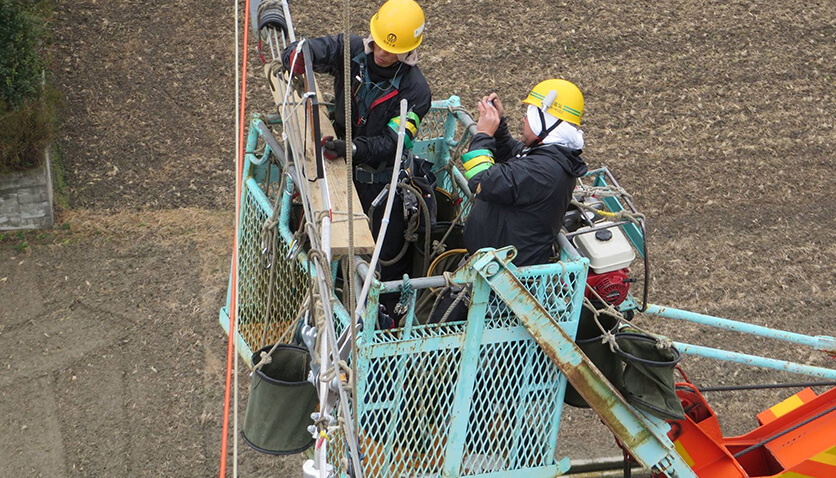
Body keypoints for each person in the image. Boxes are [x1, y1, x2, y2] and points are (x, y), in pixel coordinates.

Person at [281, 0, 432, 312]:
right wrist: (295, 57)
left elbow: (394, 142)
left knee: (383, 256)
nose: (381, 53)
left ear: (407, 51)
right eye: (378, 44)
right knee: (326, 239)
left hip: (381, 186)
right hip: (341, 171)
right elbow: (310, 50)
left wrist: (352, 149)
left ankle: (384, 322)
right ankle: (327, 303)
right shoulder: (350, 51)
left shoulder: (415, 91)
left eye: (391, 50)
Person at [461, 79, 589, 266]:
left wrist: (483, 135)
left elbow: (481, 181)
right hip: (492, 266)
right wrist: (498, 127)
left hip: (506, 278)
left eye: (529, 115)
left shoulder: (542, 171)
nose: (523, 119)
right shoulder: (546, 156)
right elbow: (511, 155)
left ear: (545, 123)